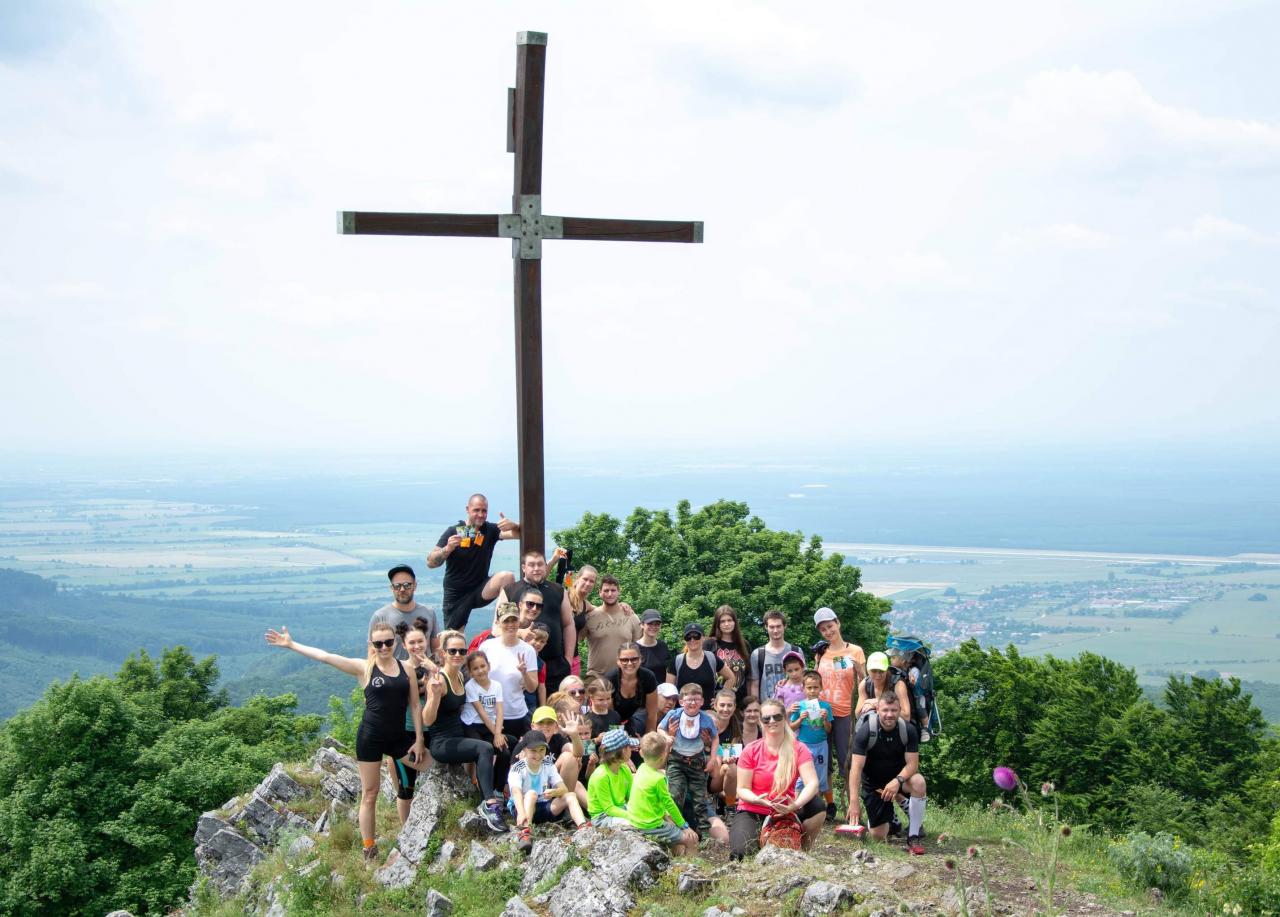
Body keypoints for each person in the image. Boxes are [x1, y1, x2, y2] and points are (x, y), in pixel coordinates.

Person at [264, 622, 425, 861]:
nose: (383, 647)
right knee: (370, 793)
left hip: (399, 737)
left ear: (395, 642)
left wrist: (420, 739)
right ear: (372, 644)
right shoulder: (364, 668)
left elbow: (414, 705)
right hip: (370, 738)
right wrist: (291, 645)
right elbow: (326, 657)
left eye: (388, 642)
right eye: (378, 643)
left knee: (432, 767)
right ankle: (369, 849)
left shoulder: (406, 669)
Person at [422, 630, 508, 834]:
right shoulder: (439, 681)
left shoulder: (460, 676)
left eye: (462, 650)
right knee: (484, 748)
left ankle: (497, 790)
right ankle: (489, 804)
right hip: (443, 743)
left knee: (507, 742)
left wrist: (496, 731)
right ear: (443, 653)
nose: (458, 654)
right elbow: (427, 719)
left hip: (460, 734)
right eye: (453, 650)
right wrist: (433, 696)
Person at [730, 698, 826, 860]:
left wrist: (796, 804)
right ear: (761, 722)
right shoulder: (751, 750)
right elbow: (741, 789)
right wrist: (757, 799)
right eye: (766, 718)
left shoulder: (799, 748)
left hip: (786, 808)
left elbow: (812, 783)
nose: (772, 721)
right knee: (741, 855)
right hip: (753, 808)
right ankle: (766, 838)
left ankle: (802, 851)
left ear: (785, 719)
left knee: (817, 805)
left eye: (777, 717)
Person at [847, 692, 927, 856]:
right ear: (877, 710)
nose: (889, 714)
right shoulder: (865, 731)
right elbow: (856, 769)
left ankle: (913, 836)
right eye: (885, 710)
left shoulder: (908, 730)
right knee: (878, 836)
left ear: (899, 711)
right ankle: (892, 821)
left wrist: (897, 781)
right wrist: (854, 802)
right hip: (874, 784)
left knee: (919, 782)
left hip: (899, 780)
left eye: (893, 710)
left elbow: (913, 764)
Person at [427, 494, 520, 631]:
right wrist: (447, 549)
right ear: (467, 509)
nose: (481, 514)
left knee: (507, 577)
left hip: (480, 589)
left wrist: (514, 526)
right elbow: (431, 562)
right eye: (476, 510)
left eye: (484, 511)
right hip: (456, 593)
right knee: (453, 638)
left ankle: (500, 625)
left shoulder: (489, 530)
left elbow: (520, 535)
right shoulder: (454, 531)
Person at [502, 551, 577, 690]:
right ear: (524, 568)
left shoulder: (558, 590)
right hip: (519, 666)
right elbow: (497, 628)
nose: (536, 568)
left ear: (545, 565)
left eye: (540, 564)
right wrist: (521, 633)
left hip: (555, 667)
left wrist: (568, 659)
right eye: (531, 565)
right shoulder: (510, 590)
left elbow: (568, 624)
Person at [813, 606, 866, 792]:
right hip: (821, 713)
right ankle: (828, 806)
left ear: (838, 623)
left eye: (830, 626)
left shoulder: (856, 651)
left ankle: (852, 805)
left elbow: (864, 684)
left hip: (845, 713)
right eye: (823, 629)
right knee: (822, 759)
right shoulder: (820, 653)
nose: (828, 631)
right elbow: (813, 681)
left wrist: (859, 669)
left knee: (847, 760)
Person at [509, 730, 588, 853]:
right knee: (531, 794)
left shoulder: (548, 765)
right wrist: (520, 813)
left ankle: (584, 828)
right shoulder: (518, 768)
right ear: (524, 750)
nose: (538, 755)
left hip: (543, 806)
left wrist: (555, 792)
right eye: (533, 751)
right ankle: (525, 832)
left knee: (571, 795)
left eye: (542, 750)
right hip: (522, 807)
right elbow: (516, 793)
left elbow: (564, 789)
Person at [389, 621, 436, 822]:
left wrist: (434, 673)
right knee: (406, 786)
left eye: (420, 641)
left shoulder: (435, 667)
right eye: (412, 643)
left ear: (426, 641)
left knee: (435, 778)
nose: (416, 646)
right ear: (404, 644)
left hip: (433, 730)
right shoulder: (399, 669)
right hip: (407, 732)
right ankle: (405, 832)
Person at [659, 683, 718, 840]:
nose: (693, 703)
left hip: (697, 761)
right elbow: (659, 728)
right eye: (689, 699)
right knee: (674, 793)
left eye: (697, 700)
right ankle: (674, 830)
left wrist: (712, 759)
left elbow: (715, 737)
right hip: (677, 760)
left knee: (700, 797)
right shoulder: (674, 715)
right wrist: (666, 737)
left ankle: (704, 834)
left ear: (702, 701)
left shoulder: (705, 718)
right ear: (681, 701)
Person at [624, 732, 699, 855]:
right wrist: (684, 826)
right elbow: (669, 803)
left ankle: (678, 862)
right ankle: (692, 869)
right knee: (691, 839)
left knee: (676, 839)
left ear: (641, 753)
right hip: (649, 825)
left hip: (635, 820)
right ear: (664, 755)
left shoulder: (642, 767)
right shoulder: (658, 779)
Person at [479, 603, 540, 736]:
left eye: (514, 620)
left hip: (515, 714)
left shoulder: (528, 650)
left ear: (519, 621)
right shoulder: (486, 647)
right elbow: (476, 680)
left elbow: (532, 688)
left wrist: (524, 673)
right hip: (489, 714)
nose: (510, 624)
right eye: (506, 621)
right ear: (498, 622)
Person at [461, 649, 516, 793]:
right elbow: (481, 712)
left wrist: (498, 733)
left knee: (505, 752)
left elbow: (499, 711)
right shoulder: (470, 686)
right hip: (472, 725)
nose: (480, 671)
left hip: (489, 726)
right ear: (471, 672)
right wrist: (497, 734)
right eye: (475, 668)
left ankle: (498, 789)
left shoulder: (496, 685)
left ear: (489, 666)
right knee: (485, 751)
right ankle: (484, 792)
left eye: (482, 666)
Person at [370, 565, 439, 658]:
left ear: (415, 586)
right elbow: (372, 652)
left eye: (407, 585)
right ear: (392, 588)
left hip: (423, 671)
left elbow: (436, 649)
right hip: (393, 671)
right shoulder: (380, 616)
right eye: (397, 586)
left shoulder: (429, 613)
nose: (402, 589)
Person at [790, 671, 834, 812]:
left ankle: (816, 809)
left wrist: (825, 719)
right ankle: (796, 808)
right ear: (803, 688)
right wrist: (800, 719)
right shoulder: (799, 706)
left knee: (820, 776)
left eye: (815, 687)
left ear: (821, 688)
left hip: (821, 746)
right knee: (800, 777)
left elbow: (828, 730)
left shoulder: (826, 707)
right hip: (803, 746)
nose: (812, 691)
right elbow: (792, 727)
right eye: (809, 688)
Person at [583, 575, 643, 675]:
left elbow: (640, 647)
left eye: (613, 590)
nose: (610, 594)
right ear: (600, 592)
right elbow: (574, 640)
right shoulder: (589, 617)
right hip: (596, 676)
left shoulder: (631, 616)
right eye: (606, 590)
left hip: (625, 676)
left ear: (619, 591)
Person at [530, 704, 587, 807]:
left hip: (556, 788)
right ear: (532, 726)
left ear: (556, 726)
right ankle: (565, 807)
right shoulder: (526, 742)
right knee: (568, 758)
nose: (545, 726)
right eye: (540, 723)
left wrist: (574, 735)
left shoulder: (558, 739)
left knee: (575, 779)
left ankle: (601, 813)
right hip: (534, 790)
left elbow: (578, 753)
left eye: (549, 722)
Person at [603, 642, 659, 737]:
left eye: (634, 659)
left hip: (635, 719)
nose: (629, 663)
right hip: (611, 722)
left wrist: (649, 740)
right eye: (624, 660)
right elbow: (610, 716)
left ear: (640, 659)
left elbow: (652, 715)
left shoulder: (649, 677)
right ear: (618, 661)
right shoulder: (610, 679)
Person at [749, 610, 804, 704]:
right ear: (766, 627)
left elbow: (804, 678)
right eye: (771, 627)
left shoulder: (796, 651)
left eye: (778, 626)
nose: (775, 630)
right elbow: (754, 684)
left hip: (794, 708)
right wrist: (756, 706)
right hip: (767, 709)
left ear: (784, 626)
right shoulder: (757, 654)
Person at [668, 622, 735, 699]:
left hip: (707, 709)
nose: (692, 639)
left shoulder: (711, 658)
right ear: (684, 640)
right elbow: (669, 689)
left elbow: (731, 678)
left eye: (696, 636)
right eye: (688, 637)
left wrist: (720, 698)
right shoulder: (676, 661)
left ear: (703, 638)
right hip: (683, 709)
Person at [587, 729, 635, 829]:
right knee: (634, 824)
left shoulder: (625, 769)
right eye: (629, 747)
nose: (631, 749)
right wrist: (634, 816)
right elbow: (609, 809)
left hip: (622, 809)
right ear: (623, 751)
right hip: (602, 817)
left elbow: (632, 797)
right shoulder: (601, 776)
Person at [706, 605, 751, 705]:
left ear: (735, 622)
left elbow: (748, 676)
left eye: (729, 620)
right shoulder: (710, 644)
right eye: (722, 621)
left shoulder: (744, 645)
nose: (727, 624)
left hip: (739, 702)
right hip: (715, 702)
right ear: (717, 624)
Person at [855, 652, 913, 722]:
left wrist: (879, 704)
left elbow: (907, 716)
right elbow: (857, 714)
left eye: (881, 671)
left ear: (887, 670)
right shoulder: (865, 684)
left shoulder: (898, 684)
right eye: (874, 671)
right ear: (868, 670)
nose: (878, 675)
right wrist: (867, 703)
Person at [636, 609, 672, 685]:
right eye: (650, 623)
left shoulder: (663, 646)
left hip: (661, 692)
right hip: (641, 692)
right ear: (642, 625)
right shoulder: (634, 648)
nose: (653, 627)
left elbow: (668, 671)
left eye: (657, 624)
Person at [523, 623, 550, 709]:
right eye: (536, 639)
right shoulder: (517, 655)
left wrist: (543, 707)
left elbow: (541, 686)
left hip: (529, 703)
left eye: (542, 641)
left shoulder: (541, 664)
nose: (538, 643)